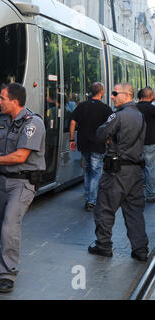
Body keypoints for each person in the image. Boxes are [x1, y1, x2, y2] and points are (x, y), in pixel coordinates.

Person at [0, 83, 46, 293]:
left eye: (2, 98)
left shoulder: (33, 123)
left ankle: (7, 272)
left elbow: (20, 156)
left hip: (23, 182)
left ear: (14, 101)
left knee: (10, 225)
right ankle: (4, 257)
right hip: (2, 181)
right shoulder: (2, 120)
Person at [88, 83, 149, 262]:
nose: (112, 96)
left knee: (105, 208)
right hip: (136, 172)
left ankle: (103, 246)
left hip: (116, 172)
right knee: (134, 211)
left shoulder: (118, 116)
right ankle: (140, 250)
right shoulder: (140, 116)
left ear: (126, 95)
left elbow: (100, 134)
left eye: (115, 93)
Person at [69, 82, 112, 212]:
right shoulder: (105, 108)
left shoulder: (82, 106)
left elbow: (72, 122)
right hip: (98, 144)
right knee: (95, 172)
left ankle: (89, 197)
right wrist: (109, 139)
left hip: (84, 143)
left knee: (87, 170)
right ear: (101, 92)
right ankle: (92, 201)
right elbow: (111, 126)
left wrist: (72, 139)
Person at [136, 87, 155, 202]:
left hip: (135, 143)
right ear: (151, 96)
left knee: (136, 168)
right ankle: (151, 194)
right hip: (150, 143)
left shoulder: (134, 108)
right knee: (149, 168)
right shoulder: (152, 109)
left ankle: (136, 193)